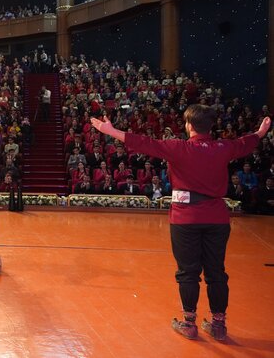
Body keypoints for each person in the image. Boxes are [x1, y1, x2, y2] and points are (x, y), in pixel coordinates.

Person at [91, 105, 270, 341]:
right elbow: (246, 143)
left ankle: (189, 323)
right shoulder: (223, 148)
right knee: (217, 272)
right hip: (217, 218)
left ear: (189, 126)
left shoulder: (178, 148)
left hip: (185, 218)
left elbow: (146, 143)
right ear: (210, 126)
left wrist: (111, 131)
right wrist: (260, 132)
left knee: (188, 272)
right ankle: (218, 324)